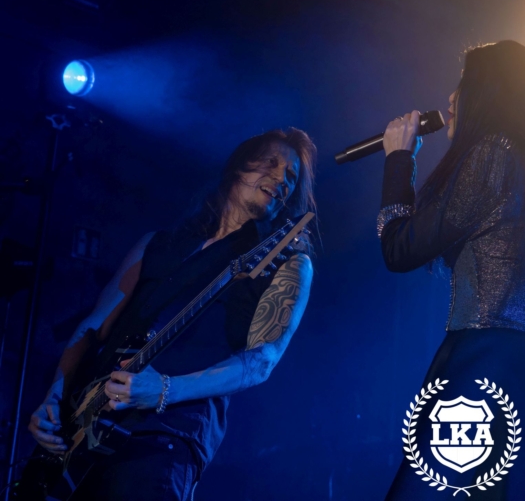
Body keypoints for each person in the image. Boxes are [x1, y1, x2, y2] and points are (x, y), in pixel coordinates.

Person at [25, 129, 317, 500]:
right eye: (270, 163)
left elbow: (262, 361)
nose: (281, 179)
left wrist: (165, 390)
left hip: (165, 435)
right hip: (77, 431)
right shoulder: (157, 244)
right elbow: (93, 327)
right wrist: (54, 397)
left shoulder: (287, 263)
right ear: (238, 166)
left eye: (290, 177)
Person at [378, 41, 525, 500]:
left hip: (494, 362)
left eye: (465, 83)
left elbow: (399, 248)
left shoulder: (493, 153)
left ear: (492, 91)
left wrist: (398, 159)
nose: (451, 97)